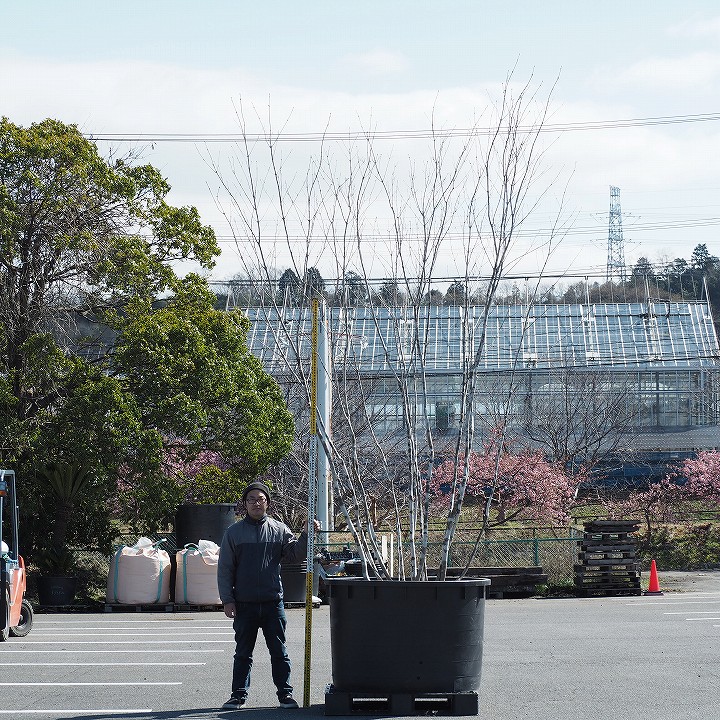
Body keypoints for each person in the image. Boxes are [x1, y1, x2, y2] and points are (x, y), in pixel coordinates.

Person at [217, 481, 320, 710]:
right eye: (251, 499)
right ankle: (238, 695)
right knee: (243, 653)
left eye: (261, 499)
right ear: (244, 504)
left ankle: (285, 695)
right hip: (244, 605)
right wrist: (227, 600)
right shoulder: (233, 533)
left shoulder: (279, 529)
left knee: (279, 652)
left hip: (273, 603)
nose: (256, 503)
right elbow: (225, 568)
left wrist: (305, 535)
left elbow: (295, 555)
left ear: (268, 503)